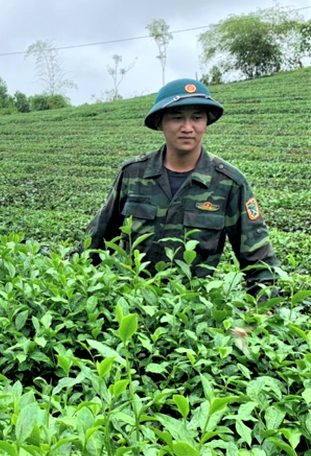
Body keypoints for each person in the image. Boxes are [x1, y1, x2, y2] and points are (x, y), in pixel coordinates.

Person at [85, 77, 280, 296]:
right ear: (160, 123)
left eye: (197, 118)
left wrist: (260, 314)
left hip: (193, 315)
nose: (187, 128)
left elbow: (259, 262)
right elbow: (97, 240)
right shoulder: (133, 173)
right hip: (134, 303)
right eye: (177, 118)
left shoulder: (229, 182)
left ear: (206, 123)